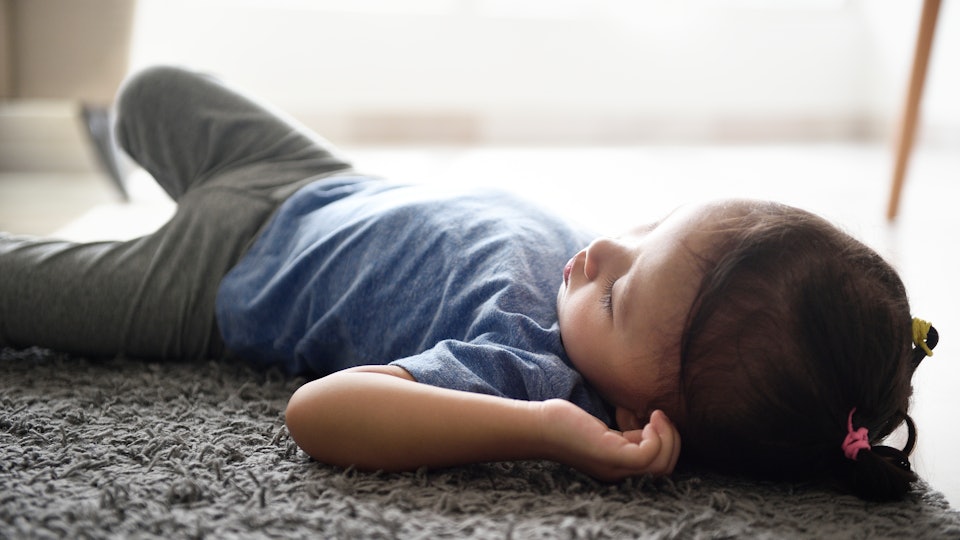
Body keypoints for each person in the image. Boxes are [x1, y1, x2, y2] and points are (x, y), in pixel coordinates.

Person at [0, 67, 938, 502]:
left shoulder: (529, 374)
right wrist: (628, 278)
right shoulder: (622, 298)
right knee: (150, 92)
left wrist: (542, 435)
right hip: (319, 178)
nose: (603, 251)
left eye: (617, 295)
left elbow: (318, 414)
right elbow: (624, 263)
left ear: (635, 418)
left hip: (222, 275)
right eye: (649, 232)